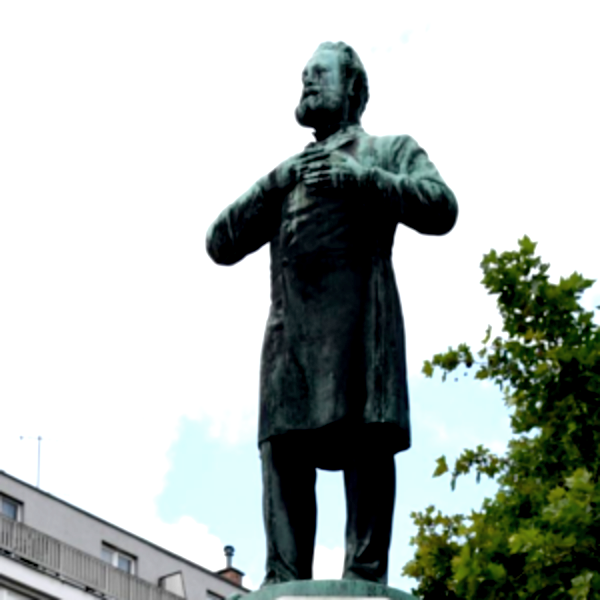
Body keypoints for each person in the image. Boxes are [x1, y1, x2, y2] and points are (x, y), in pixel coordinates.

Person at [206, 41, 458, 585]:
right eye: (304, 75)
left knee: (368, 443)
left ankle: (364, 576)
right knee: (283, 452)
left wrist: (362, 180)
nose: (308, 83)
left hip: (361, 331)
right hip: (289, 339)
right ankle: (282, 577)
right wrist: (274, 183)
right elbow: (219, 243)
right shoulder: (287, 175)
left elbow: (441, 207)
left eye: (320, 74)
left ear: (354, 90)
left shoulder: (387, 150)